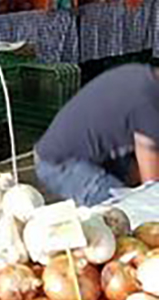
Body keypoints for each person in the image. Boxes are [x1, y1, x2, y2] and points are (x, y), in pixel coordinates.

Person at [34, 64, 159, 207]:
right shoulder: (149, 109)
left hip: (89, 151)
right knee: (131, 211)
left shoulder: (144, 76)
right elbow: (152, 188)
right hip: (60, 164)